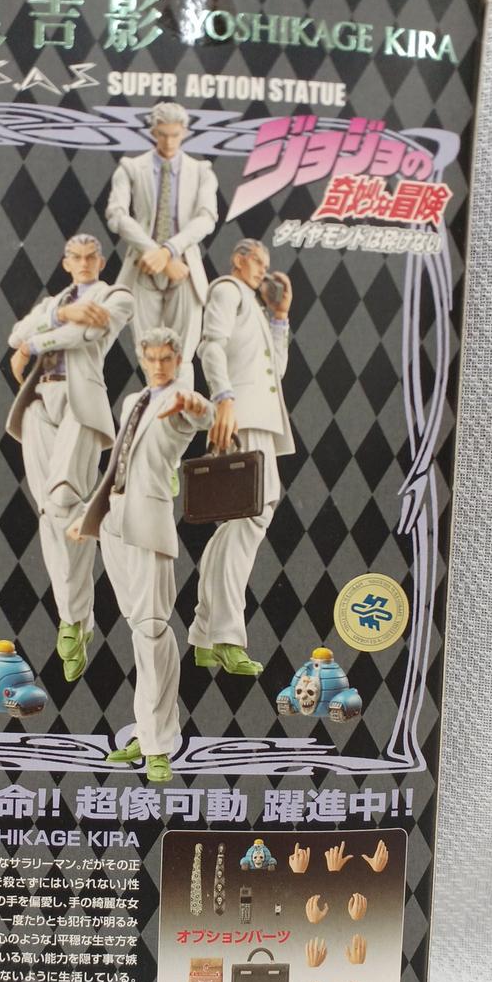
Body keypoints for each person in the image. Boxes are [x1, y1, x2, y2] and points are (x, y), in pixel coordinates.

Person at [69, 327, 214, 784]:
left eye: (165, 358)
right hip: (115, 517)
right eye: (150, 357)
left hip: (149, 522)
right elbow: (119, 463)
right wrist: (90, 514)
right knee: (139, 627)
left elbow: (204, 415)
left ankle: (157, 745)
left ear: (177, 360)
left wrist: (193, 403)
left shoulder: (180, 402)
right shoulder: (133, 400)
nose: (157, 365)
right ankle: (148, 729)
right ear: (141, 357)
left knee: (153, 629)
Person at [6, 233, 133, 681]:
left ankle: (77, 616)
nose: (83, 263)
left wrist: (32, 345)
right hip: (39, 403)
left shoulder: (116, 296)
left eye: (90, 256)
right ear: (65, 262)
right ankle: (73, 618)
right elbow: (14, 333)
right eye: (75, 257)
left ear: (101, 259)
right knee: (51, 512)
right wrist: (60, 314)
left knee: (64, 500)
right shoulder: (55, 302)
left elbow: (85, 335)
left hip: (81, 404)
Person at [188, 238, 295, 676]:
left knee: (238, 523)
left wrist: (280, 316)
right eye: (258, 261)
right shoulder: (227, 290)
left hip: (257, 416)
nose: (263, 269)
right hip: (241, 415)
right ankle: (227, 636)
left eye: (268, 263)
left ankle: (203, 634)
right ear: (239, 259)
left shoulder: (252, 304)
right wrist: (224, 398)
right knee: (253, 513)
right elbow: (210, 345)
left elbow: (276, 372)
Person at [105, 102, 218, 386]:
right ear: (153, 132)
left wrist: (169, 251)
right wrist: (152, 250)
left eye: (175, 135)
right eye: (163, 134)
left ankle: (181, 410)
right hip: (143, 267)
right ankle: (153, 408)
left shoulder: (201, 171)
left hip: (184, 268)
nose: (169, 142)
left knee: (183, 354)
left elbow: (207, 218)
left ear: (185, 132)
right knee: (148, 353)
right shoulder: (131, 167)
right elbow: (116, 215)